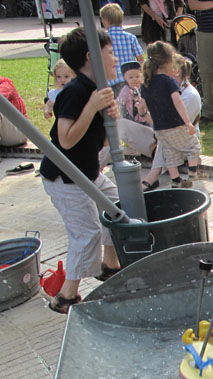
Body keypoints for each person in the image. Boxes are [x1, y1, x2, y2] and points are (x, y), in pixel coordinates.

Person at [37, 27, 123, 314]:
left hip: (86, 174)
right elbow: (66, 139)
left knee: (116, 207)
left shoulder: (94, 91)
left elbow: (101, 140)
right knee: (85, 234)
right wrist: (92, 107)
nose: (115, 59)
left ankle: (110, 264)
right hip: (64, 179)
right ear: (91, 58)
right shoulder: (74, 93)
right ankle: (66, 297)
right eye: (110, 53)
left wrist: (111, 117)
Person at [141, 41, 200, 188]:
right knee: (193, 146)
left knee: (169, 154)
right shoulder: (168, 81)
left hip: (159, 127)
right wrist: (188, 123)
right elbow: (178, 103)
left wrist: (144, 113)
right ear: (168, 61)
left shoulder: (146, 83)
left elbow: (145, 106)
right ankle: (193, 172)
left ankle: (176, 181)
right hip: (175, 124)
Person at [100, 3, 144, 95]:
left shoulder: (103, 39)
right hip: (130, 80)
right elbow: (140, 59)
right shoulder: (131, 37)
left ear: (106, 20)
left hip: (112, 81)